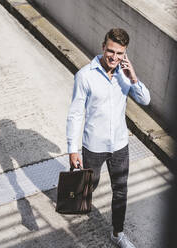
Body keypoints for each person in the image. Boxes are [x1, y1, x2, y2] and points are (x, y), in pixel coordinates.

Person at [66, 28, 150, 248]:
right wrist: (73, 149)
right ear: (103, 46)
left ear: (125, 54)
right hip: (94, 145)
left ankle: (117, 233)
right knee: (88, 186)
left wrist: (133, 77)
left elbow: (145, 100)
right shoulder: (85, 75)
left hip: (120, 145)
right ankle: (74, 199)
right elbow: (76, 114)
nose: (114, 57)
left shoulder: (124, 76)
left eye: (120, 53)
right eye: (111, 51)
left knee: (121, 190)